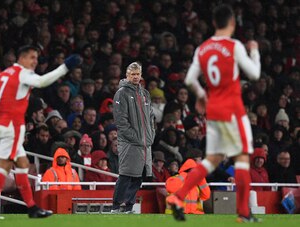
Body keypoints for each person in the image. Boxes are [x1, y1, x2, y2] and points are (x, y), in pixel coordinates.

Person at [0, 45, 81, 219]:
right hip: (11, 127)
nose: (35, 61)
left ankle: (32, 208)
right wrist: (65, 66)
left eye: (36, 58)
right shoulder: (23, 74)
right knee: (4, 166)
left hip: (3, 125)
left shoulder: (4, 74)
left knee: (23, 165)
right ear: (22, 58)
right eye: (32, 57)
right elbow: (42, 82)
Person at [166, 5, 261, 223]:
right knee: (243, 158)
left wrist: (200, 95)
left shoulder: (203, 48)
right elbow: (254, 74)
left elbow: (190, 79)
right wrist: (254, 50)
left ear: (213, 24)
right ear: (232, 23)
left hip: (214, 110)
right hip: (233, 108)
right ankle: (244, 212)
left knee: (212, 159)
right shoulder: (234, 45)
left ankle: (178, 197)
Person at [111, 62, 155, 213]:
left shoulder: (145, 94)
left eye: (138, 74)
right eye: (133, 74)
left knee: (139, 175)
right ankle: (116, 206)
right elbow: (120, 121)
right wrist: (136, 137)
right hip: (130, 143)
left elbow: (151, 118)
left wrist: (151, 135)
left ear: (141, 75)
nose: (136, 77)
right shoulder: (121, 93)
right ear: (127, 75)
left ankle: (128, 206)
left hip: (145, 143)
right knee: (125, 175)